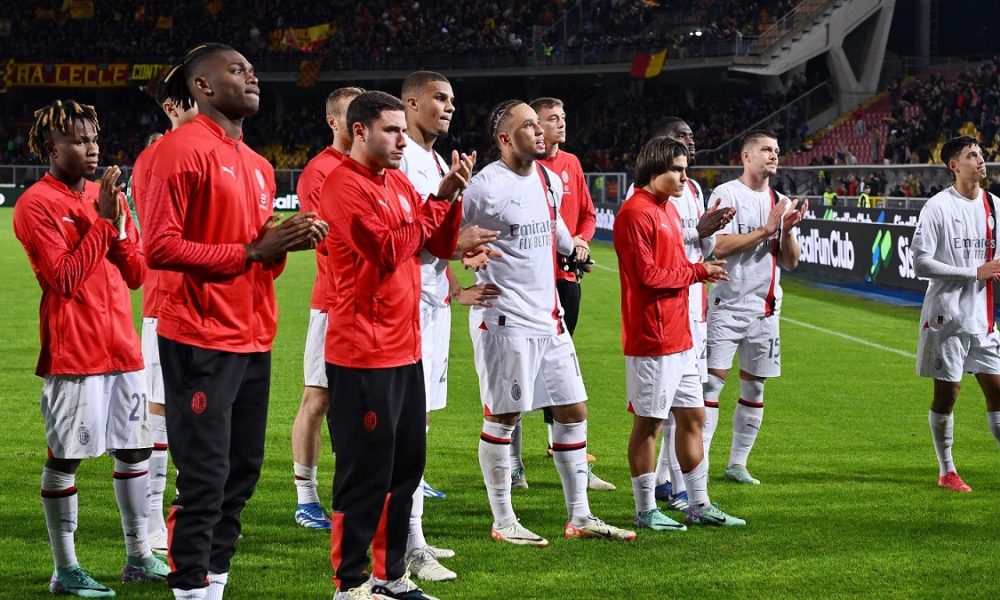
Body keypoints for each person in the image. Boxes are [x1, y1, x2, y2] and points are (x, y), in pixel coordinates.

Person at [142, 43, 327, 600]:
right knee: (204, 477)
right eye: (237, 70)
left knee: (242, 472)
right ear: (201, 86)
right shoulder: (178, 151)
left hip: (253, 335)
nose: (252, 77)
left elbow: (256, 258)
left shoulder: (259, 165)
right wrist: (252, 249)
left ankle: (214, 584)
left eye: (252, 70)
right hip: (198, 335)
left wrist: (280, 245)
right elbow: (160, 247)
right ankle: (189, 588)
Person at [321, 90, 475, 600]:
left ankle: (390, 577)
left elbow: (439, 246)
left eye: (403, 132)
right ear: (359, 130)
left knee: (404, 470)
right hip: (363, 353)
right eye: (392, 130)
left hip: (406, 348)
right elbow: (388, 250)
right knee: (364, 474)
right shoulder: (343, 185)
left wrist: (451, 197)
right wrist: (436, 204)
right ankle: (350, 584)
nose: (402, 139)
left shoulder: (400, 183)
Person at [14, 99, 167, 597]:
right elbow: (63, 279)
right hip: (75, 352)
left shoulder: (107, 197)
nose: (91, 147)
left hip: (122, 347)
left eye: (93, 138)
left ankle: (139, 556)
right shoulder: (35, 204)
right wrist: (102, 223)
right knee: (66, 458)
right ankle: (65, 569)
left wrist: (118, 227)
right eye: (78, 141)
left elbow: (137, 274)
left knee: (135, 448)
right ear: (50, 149)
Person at [465, 99, 636, 547]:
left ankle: (580, 516)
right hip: (506, 320)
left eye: (538, 124)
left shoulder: (547, 177)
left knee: (573, 410)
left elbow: (553, 224)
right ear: (505, 139)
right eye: (529, 125)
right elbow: (441, 238)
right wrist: (460, 274)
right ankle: (504, 520)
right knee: (504, 418)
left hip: (549, 317)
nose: (540, 131)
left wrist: (574, 248)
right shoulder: (483, 188)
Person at [398, 70, 501, 582]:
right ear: (411, 103)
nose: (449, 107)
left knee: (419, 427)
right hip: (406, 308)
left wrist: (462, 254)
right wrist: (454, 244)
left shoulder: (439, 162)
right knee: (405, 430)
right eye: (439, 98)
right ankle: (405, 545)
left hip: (433, 306)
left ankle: (411, 537)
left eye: (452, 100)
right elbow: (405, 233)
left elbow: (439, 238)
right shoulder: (402, 159)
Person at [615, 137, 746, 532]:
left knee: (694, 418)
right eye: (677, 169)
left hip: (681, 335)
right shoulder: (634, 214)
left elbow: (676, 265)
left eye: (685, 169)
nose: (684, 177)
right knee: (649, 425)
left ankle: (698, 503)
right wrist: (699, 271)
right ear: (655, 169)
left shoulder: (669, 209)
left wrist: (698, 266)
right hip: (652, 338)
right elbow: (648, 277)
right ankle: (645, 510)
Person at [506, 97, 614, 492]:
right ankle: (513, 463)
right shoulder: (518, 172)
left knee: (559, 371)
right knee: (518, 374)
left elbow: (587, 213)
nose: (560, 124)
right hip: (529, 285)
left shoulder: (570, 164)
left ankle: (564, 452)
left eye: (562, 117)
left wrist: (581, 242)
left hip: (566, 281)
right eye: (552, 119)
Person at [703, 129, 808, 485]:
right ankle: (698, 465)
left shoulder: (781, 200)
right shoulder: (727, 193)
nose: (774, 155)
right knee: (710, 386)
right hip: (726, 305)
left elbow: (791, 262)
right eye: (766, 149)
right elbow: (716, 247)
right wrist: (765, 230)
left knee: (755, 388)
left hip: (765, 309)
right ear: (746, 156)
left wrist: (786, 231)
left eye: (776, 150)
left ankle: (737, 464)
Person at [127, 72, 200, 556]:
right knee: (161, 411)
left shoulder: (218, 151)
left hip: (210, 308)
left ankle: (190, 511)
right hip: (167, 304)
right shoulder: (158, 159)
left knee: (198, 417)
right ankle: (154, 521)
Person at [290, 86, 364, 531]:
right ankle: (306, 499)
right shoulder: (320, 171)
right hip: (334, 302)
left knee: (364, 402)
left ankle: (358, 491)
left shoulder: (373, 167)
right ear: (334, 122)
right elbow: (328, 238)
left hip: (373, 306)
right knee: (317, 397)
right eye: (352, 114)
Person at [912, 135, 1000, 493]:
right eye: (972, 155)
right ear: (954, 165)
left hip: (985, 319)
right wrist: (974, 272)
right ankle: (946, 469)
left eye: (981, 154)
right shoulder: (938, 207)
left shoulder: (995, 206)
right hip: (946, 316)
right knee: (948, 394)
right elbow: (921, 263)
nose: (980, 160)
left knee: (997, 391)